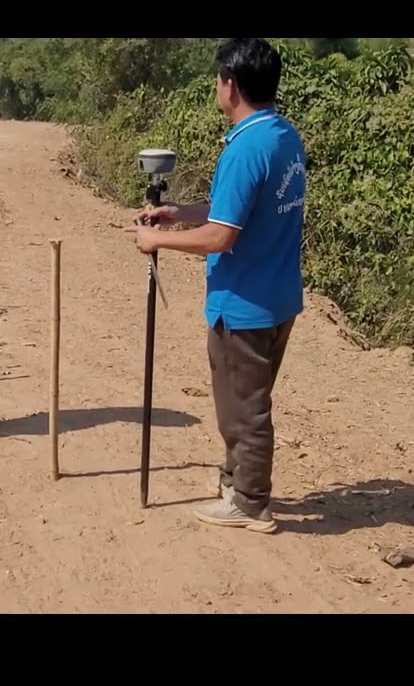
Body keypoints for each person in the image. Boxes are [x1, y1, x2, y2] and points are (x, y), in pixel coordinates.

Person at [125, 38, 305, 534]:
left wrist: (156, 238)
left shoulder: (246, 147)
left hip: (244, 302)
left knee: (244, 410)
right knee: (245, 400)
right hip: (278, 295)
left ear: (231, 85)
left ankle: (249, 501)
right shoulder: (282, 136)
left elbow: (223, 237)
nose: (215, 87)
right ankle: (234, 479)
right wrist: (179, 214)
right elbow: (235, 213)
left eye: (217, 78)